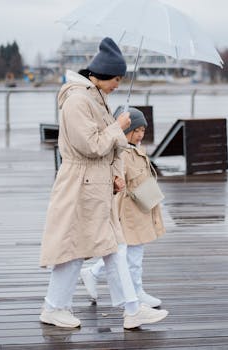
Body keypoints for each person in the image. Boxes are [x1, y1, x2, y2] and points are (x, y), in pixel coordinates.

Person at [39, 37, 168, 329]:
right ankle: (55, 307)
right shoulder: (76, 101)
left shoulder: (95, 98)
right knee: (76, 248)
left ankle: (131, 307)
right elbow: (92, 145)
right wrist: (118, 126)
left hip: (96, 185)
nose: (118, 85)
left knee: (112, 246)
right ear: (104, 74)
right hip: (79, 184)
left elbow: (108, 148)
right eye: (117, 78)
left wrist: (116, 172)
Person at [80, 107, 165, 308]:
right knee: (130, 255)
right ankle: (136, 291)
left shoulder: (136, 150)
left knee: (127, 253)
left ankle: (94, 273)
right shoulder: (121, 153)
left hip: (140, 210)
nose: (141, 135)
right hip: (128, 213)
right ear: (126, 130)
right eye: (137, 131)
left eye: (143, 131)